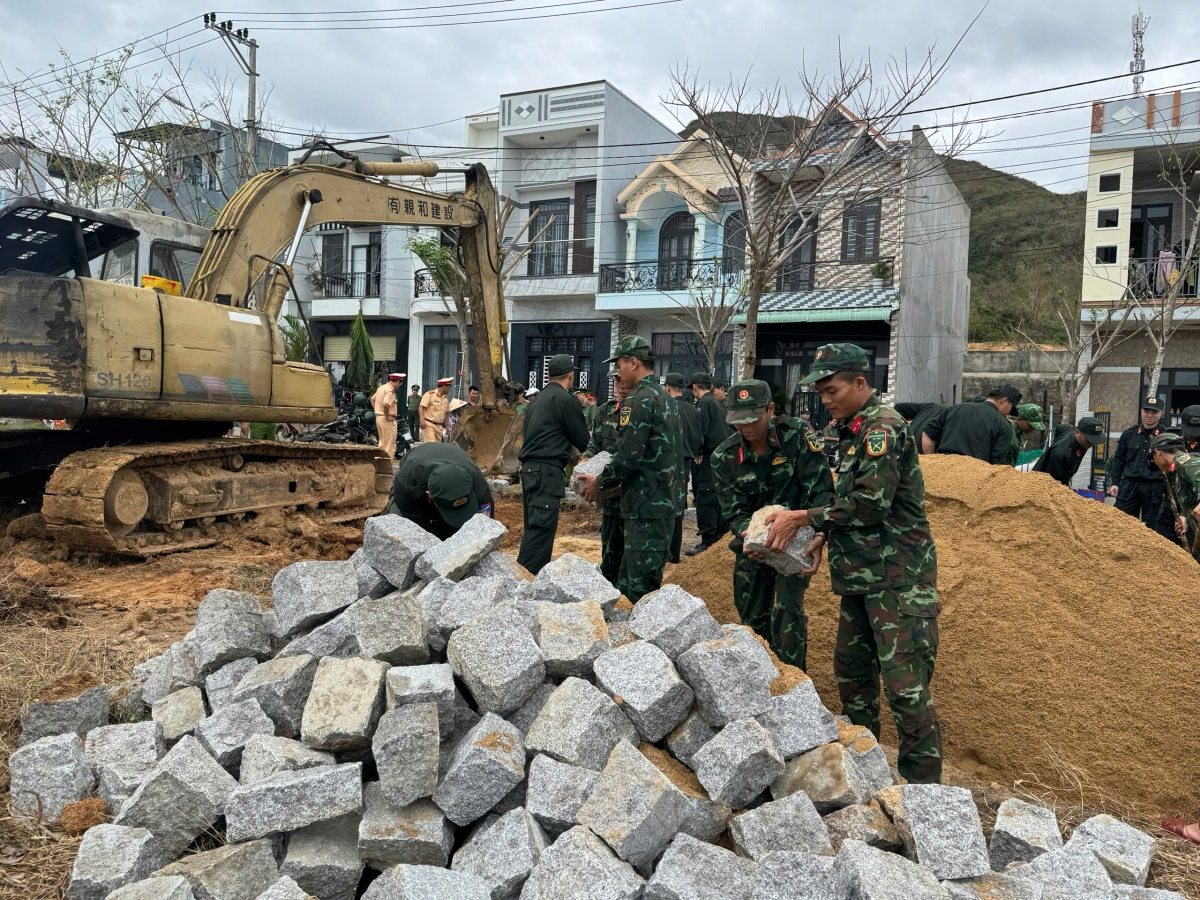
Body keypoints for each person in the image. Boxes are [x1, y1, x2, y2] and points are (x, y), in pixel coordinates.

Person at [778, 343, 942, 784]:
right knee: (853, 682)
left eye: (832, 390)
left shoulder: (881, 428)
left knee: (906, 690)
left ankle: (926, 796)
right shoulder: (851, 430)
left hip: (897, 582)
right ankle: (865, 777)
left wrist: (802, 518)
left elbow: (870, 504)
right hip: (859, 579)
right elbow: (849, 501)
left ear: (861, 383)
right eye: (821, 393)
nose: (826, 400)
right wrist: (822, 536)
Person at [711, 380, 834, 670]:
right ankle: (759, 684)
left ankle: (792, 682)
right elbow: (735, 512)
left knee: (788, 613)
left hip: (797, 545)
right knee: (751, 620)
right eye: (739, 422)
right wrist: (748, 536)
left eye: (753, 419)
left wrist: (819, 533)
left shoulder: (797, 436)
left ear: (770, 409)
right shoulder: (724, 457)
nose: (747, 428)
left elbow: (824, 493)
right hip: (753, 550)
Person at [577, 336, 685, 602]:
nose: (618, 373)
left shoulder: (639, 400)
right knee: (637, 581)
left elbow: (627, 458)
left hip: (644, 509)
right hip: (661, 505)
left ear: (633, 362)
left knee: (636, 592)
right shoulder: (665, 397)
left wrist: (598, 482)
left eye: (619, 364)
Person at [517, 354, 591, 574]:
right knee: (541, 530)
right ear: (571, 374)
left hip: (530, 470)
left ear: (548, 375)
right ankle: (525, 580)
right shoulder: (566, 400)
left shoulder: (536, 400)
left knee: (534, 525)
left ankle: (526, 577)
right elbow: (584, 440)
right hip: (546, 472)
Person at [583, 367, 631, 584]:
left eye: (624, 379)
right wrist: (586, 459)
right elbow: (595, 443)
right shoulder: (606, 411)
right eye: (616, 380)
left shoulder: (643, 411)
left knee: (631, 562)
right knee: (610, 557)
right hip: (610, 498)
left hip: (633, 498)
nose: (620, 384)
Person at [389, 442, 494, 539]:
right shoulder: (406, 483)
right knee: (401, 528)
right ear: (429, 496)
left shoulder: (477, 481)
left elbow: (486, 525)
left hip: (455, 457)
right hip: (416, 461)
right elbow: (417, 526)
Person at [1108, 395, 1173, 537]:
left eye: (1154, 412)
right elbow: (1119, 460)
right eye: (1146, 411)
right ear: (1141, 411)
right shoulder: (1129, 434)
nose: (1149, 415)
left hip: (1154, 487)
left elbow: (1172, 465)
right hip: (1130, 485)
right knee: (1119, 523)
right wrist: (1114, 482)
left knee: (1153, 529)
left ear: (1161, 413)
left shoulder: (1166, 437)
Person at [687, 372, 732, 556]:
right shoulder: (717, 403)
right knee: (717, 497)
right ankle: (719, 534)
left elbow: (701, 431)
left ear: (695, 387)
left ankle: (708, 540)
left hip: (708, 457)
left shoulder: (703, 404)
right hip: (721, 457)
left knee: (705, 497)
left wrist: (697, 451)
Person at [664, 372, 702, 564]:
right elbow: (699, 436)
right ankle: (675, 553)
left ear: (667, 387)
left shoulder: (666, 406)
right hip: (685, 461)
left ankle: (664, 551)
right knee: (678, 506)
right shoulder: (692, 409)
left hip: (666, 460)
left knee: (663, 504)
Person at [930, 384, 1021, 464]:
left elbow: (927, 435)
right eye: (1011, 408)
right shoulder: (1004, 426)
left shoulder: (954, 409)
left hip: (942, 470)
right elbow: (997, 465)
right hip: (973, 478)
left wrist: (933, 463)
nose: (1008, 413)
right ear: (1004, 401)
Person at [1150, 431, 1200, 557]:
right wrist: (1185, 515)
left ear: (1158, 454)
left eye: (1153, 458)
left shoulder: (1185, 462)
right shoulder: (1178, 469)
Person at [1033, 416, 1107, 486]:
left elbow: (1059, 428)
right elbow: (1053, 485)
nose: (1091, 443)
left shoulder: (1071, 431)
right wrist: (1056, 446)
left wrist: (1056, 441)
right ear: (1077, 432)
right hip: (1042, 486)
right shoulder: (1061, 454)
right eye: (1089, 439)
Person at [371, 373, 404, 457]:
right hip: (387, 420)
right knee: (389, 445)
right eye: (400, 384)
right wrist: (386, 416)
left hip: (379, 418)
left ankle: (380, 465)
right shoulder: (390, 390)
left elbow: (372, 399)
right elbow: (386, 404)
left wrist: (377, 411)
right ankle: (387, 466)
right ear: (397, 381)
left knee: (382, 443)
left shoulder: (381, 388)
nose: (399, 386)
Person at [419, 378, 453, 444]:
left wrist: (447, 426)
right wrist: (422, 419)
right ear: (444, 386)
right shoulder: (430, 394)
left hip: (439, 427)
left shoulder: (445, 398)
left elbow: (444, 413)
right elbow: (421, 406)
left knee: (436, 447)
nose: (449, 389)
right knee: (431, 446)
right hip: (429, 424)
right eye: (449, 386)